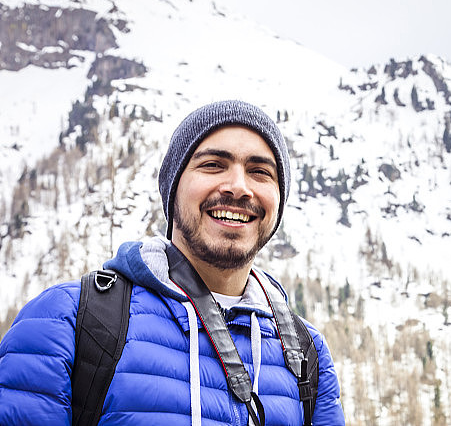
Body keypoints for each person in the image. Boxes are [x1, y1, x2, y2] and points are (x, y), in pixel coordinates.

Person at [0, 100, 346, 425]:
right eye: (213, 165)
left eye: (260, 172)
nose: (239, 187)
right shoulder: (69, 321)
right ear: (173, 189)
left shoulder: (306, 352)